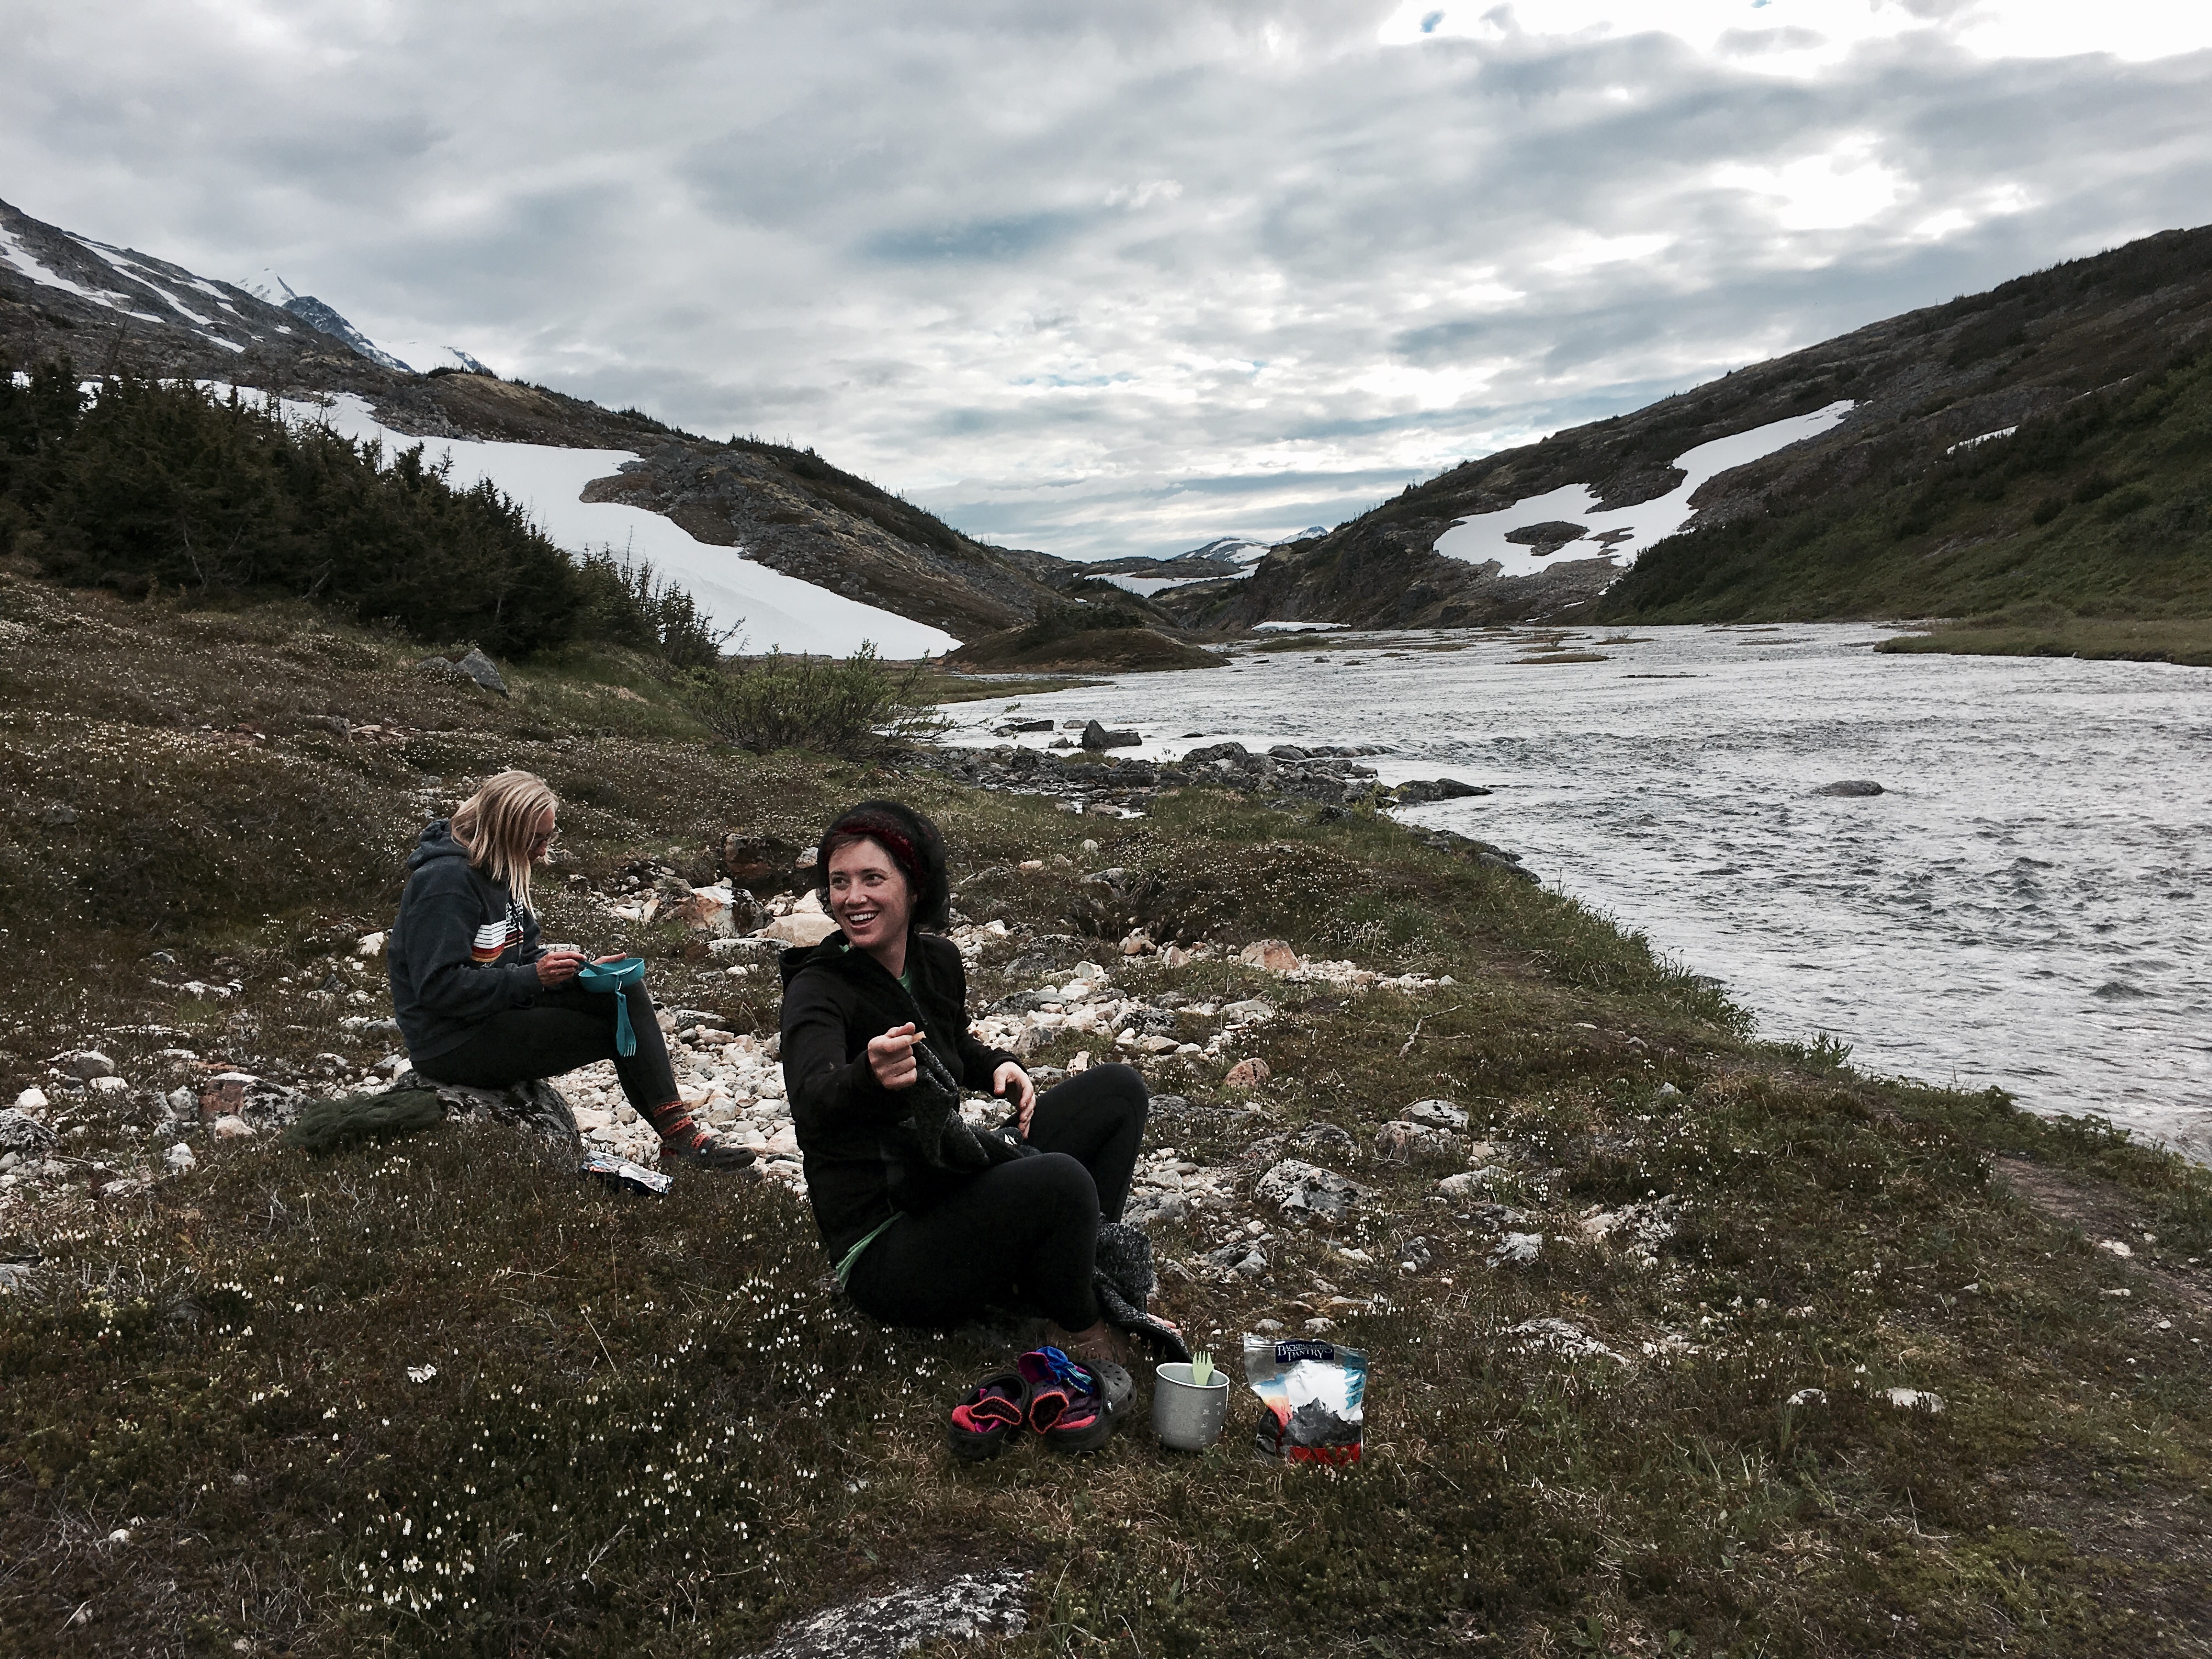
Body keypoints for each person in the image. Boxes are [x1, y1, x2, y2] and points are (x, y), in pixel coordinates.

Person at [778, 799, 1156, 1361]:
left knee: (1120, 1093)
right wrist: (867, 1075)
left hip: (941, 1185)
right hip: (887, 1247)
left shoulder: (937, 962)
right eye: (839, 883)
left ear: (913, 886)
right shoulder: (818, 989)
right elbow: (812, 1100)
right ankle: (1080, 1324)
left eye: (871, 879)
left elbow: (952, 1039)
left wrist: (997, 1065)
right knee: (1063, 1182)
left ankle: (1058, 1269)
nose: (852, 898)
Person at [387, 769, 752, 1170]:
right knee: (614, 1031)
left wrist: (579, 973)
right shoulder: (446, 882)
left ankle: (678, 1133)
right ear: (506, 830)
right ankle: (680, 1143)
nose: (544, 851)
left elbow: (522, 954)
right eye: (537, 839)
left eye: (550, 836)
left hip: (491, 1013)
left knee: (621, 990)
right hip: (450, 1042)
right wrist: (534, 977)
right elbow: (438, 988)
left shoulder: (502, 870)